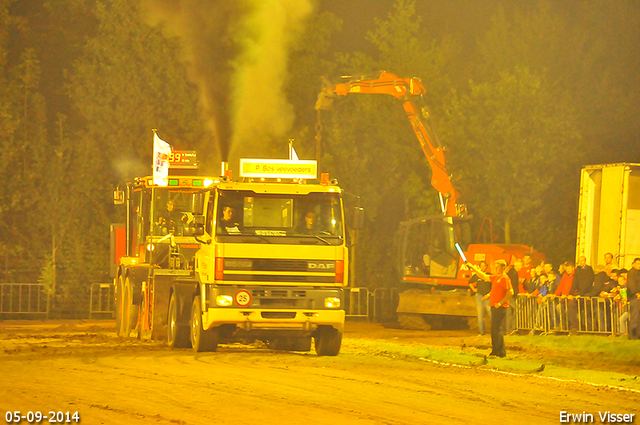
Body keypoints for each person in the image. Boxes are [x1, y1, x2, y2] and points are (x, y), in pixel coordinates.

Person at [467, 259, 513, 358]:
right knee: (495, 329)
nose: (495, 268)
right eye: (495, 266)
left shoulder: (504, 278)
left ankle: (499, 352)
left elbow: (510, 292)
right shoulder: (497, 277)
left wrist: (500, 303)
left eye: (497, 266)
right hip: (494, 305)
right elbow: (484, 276)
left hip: (499, 307)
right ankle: (497, 351)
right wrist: (474, 268)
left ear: (503, 268)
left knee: (496, 329)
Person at [468, 261, 491, 336]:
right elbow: (469, 282)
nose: (483, 267)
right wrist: (474, 289)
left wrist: (489, 294)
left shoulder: (489, 275)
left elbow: (494, 285)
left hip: (487, 296)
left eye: (484, 266)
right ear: (479, 267)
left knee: (490, 313)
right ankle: (481, 332)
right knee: (479, 314)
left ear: (486, 267)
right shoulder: (477, 275)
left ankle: (496, 330)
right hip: (479, 296)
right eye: (481, 266)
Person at [506, 259, 521, 334]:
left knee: (510, 313)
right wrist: (515, 293)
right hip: (512, 295)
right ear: (517, 265)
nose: (521, 267)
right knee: (515, 311)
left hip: (509, 295)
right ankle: (512, 329)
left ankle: (509, 329)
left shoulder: (512, 272)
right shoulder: (513, 273)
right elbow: (513, 285)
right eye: (520, 266)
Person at [626, 258, 640, 339]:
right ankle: (632, 335)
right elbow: (632, 285)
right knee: (635, 316)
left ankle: (637, 334)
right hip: (635, 297)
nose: (639, 265)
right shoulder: (631, 273)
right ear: (633, 264)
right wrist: (637, 293)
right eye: (638, 264)